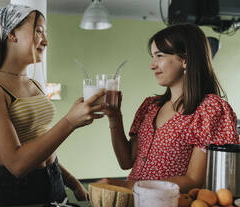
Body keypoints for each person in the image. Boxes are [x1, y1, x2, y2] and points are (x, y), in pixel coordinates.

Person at [0, 4, 104, 206]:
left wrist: (73, 183)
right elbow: (16, 164)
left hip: (53, 179)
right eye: (39, 31)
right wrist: (70, 121)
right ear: (12, 34)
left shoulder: (33, 83)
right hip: (18, 190)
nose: (45, 40)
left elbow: (41, 144)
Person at [101, 24, 239, 193]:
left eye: (159, 56)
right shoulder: (150, 106)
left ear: (185, 59)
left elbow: (193, 180)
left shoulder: (209, 109)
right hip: (132, 203)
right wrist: (114, 117)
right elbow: (126, 161)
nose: (152, 65)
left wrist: (128, 186)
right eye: (153, 56)